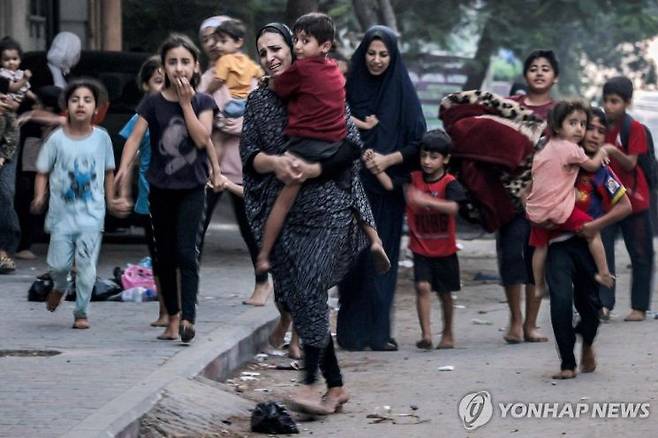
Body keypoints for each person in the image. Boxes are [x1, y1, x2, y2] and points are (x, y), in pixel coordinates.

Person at [241, 22, 377, 414]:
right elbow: (249, 156)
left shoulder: (325, 87)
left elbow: (352, 146)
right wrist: (275, 162)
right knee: (305, 300)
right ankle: (335, 387)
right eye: (262, 52)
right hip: (282, 215)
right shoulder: (258, 102)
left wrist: (315, 170)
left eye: (276, 48)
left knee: (310, 289)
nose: (271, 58)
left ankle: (308, 384)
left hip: (327, 209)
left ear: (295, 49)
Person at [255, 12, 389, 276]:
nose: (298, 47)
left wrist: (270, 84)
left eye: (304, 41)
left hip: (306, 148)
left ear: (325, 45)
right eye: (296, 40)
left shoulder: (301, 70)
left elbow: (280, 89)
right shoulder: (335, 72)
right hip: (334, 143)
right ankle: (375, 240)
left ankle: (262, 255)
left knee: (283, 201)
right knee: (354, 190)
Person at [115, 34, 221, 343]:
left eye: (185, 62)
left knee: (187, 254)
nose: (179, 68)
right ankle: (171, 318)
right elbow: (134, 137)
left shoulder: (204, 102)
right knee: (165, 257)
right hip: (159, 188)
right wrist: (124, 167)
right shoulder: (152, 101)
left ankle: (188, 317)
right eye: (172, 62)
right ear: (163, 67)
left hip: (191, 187)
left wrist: (186, 104)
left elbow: (202, 139)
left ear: (195, 66)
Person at [337, 25, 426, 352]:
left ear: (393, 56)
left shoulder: (402, 91)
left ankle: (378, 333)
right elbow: (334, 129)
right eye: (371, 53)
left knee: (381, 260)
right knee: (353, 262)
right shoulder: (347, 87)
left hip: (386, 192)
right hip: (350, 188)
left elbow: (419, 142)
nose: (376, 60)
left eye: (383, 54)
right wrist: (360, 155)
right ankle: (350, 333)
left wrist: (387, 160)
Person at [545, 106, 631, 379]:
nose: (593, 135)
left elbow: (625, 206)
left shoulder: (601, 171)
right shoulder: (561, 158)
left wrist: (595, 225)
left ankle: (588, 342)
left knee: (590, 308)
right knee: (559, 301)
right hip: (558, 242)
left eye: (600, 131)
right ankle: (567, 363)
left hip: (588, 245)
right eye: (588, 127)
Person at [197, 16, 273, 307]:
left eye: (219, 39)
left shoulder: (250, 74)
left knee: (249, 227)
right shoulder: (209, 75)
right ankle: (188, 288)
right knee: (197, 227)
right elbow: (194, 105)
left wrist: (235, 124)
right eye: (208, 40)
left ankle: (262, 283)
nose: (214, 45)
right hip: (209, 166)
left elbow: (261, 116)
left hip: (242, 166)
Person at [30, 78, 117, 328]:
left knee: (87, 265)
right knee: (59, 265)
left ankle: (81, 312)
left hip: (92, 215)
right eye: (75, 99)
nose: (81, 104)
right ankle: (59, 285)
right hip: (61, 216)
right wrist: (39, 196)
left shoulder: (102, 138)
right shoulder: (57, 139)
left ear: (96, 108)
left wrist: (111, 200)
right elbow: (42, 171)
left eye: (87, 100)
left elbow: (109, 171)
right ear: (66, 106)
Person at [496, 49, 558, 344]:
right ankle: (515, 320)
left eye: (545, 68)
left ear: (555, 77)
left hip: (545, 200)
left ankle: (532, 324)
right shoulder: (509, 107)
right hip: (510, 197)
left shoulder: (560, 113)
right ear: (525, 75)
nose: (539, 73)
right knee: (510, 257)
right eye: (534, 68)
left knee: (537, 260)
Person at [527, 101, 614, 298]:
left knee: (540, 247)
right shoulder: (571, 148)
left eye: (582, 124)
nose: (579, 129)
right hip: (558, 210)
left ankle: (539, 286)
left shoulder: (544, 147)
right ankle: (603, 272)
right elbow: (592, 166)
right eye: (573, 123)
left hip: (536, 211)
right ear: (558, 126)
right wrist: (603, 151)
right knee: (592, 231)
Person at [116, 55, 167, 327]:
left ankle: (178, 308)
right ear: (146, 84)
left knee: (178, 254)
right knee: (157, 254)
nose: (162, 83)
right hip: (150, 197)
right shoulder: (140, 118)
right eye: (156, 79)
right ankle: (164, 309)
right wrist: (123, 193)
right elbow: (130, 158)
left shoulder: (184, 112)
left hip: (178, 194)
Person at [599, 76, 655, 321]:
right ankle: (604, 304)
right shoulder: (598, 127)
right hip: (606, 202)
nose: (609, 106)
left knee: (642, 254)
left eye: (615, 101)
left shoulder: (634, 129)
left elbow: (632, 161)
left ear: (627, 103)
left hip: (634, 201)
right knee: (602, 255)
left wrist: (612, 150)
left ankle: (639, 307)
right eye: (607, 101)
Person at [406, 130, 466, 350]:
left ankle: (448, 332)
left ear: (446, 159)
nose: (427, 162)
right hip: (420, 247)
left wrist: (425, 201)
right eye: (424, 156)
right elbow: (392, 185)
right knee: (422, 287)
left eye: (433, 157)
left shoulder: (450, 183)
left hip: (445, 250)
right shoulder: (413, 179)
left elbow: (453, 207)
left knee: (444, 293)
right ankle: (427, 335)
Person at [14, 85, 62, 261]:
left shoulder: (55, 121)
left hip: (42, 170)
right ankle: (23, 244)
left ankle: (26, 242)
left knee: (33, 206)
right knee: (26, 204)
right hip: (29, 170)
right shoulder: (29, 121)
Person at [205, 18, 263, 117]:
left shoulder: (224, 60)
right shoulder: (249, 62)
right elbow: (261, 75)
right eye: (217, 41)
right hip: (246, 104)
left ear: (238, 43)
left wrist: (207, 92)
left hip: (230, 105)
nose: (218, 45)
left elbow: (218, 80)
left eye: (223, 41)